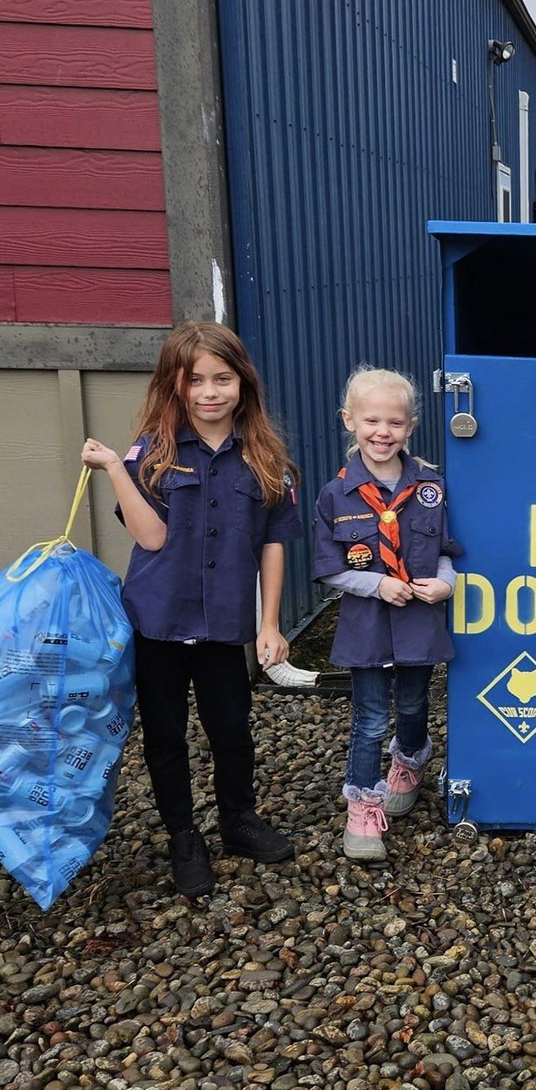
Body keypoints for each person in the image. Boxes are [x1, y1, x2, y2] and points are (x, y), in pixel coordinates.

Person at [81, 321, 302, 898]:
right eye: (196, 380)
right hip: (158, 621)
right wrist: (113, 471)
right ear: (175, 386)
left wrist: (270, 623)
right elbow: (151, 539)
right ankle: (184, 836)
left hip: (224, 625)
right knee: (165, 736)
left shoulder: (266, 459)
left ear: (242, 383)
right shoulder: (148, 454)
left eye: (222, 379)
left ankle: (238, 820)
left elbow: (272, 544)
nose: (210, 391)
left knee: (232, 729)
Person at [312, 367, 459, 860]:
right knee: (371, 718)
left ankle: (411, 762)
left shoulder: (430, 488)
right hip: (368, 627)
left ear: (410, 427)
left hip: (419, 621)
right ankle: (362, 810)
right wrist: (376, 584)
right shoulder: (336, 496)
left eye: (394, 423)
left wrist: (447, 582)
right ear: (348, 421)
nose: (383, 432)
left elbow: (443, 549)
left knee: (416, 705)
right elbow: (330, 568)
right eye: (371, 420)